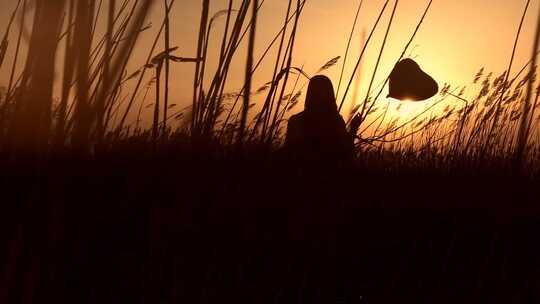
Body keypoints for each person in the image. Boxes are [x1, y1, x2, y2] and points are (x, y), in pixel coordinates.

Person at [285, 75, 360, 165]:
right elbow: (346, 153)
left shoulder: (295, 121)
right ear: (330, 94)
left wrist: (353, 128)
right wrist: (353, 129)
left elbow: (288, 155)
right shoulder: (336, 121)